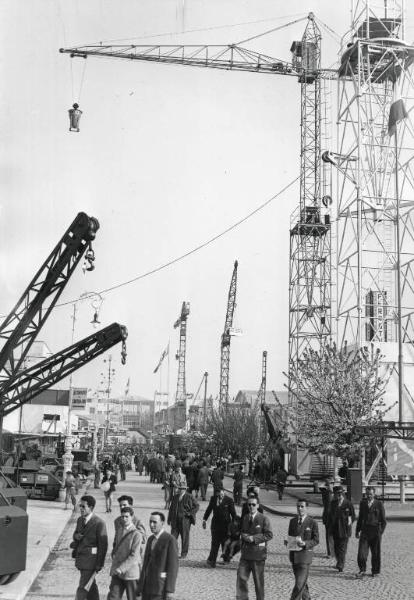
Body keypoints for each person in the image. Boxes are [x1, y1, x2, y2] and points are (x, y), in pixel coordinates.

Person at [70, 495, 108, 600]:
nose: (80, 509)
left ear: (91, 507)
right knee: (90, 585)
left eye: (83, 506)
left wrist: (100, 564)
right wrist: (76, 536)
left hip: (91, 561)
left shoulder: (99, 523)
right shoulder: (80, 520)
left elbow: (103, 546)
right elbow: (75, 534)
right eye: (80, 506)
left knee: (82, 587)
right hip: (81, 559)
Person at [236, 494, 273, 600]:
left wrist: (254, 538)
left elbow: (269, 535)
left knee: (258, 584)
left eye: (253, 504)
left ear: (258, 505)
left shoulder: (264, 519)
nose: (251, 507)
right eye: (249, 505)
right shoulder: (246, 517)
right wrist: (243, 536)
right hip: (245, 555)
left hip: (258, 556)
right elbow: (242, 531)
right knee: (241, 580)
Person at [137, 511, 179, 600]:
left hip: (160, 588)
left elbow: (173, 567)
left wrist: (170, 590)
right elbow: (145, 564)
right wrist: (140, 586)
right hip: (147, 588)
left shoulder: (170, 540)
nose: (151, 525)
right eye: (150, 522)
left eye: (155, 522)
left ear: (162, 523)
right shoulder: (150, 539)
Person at [286, 499, 319, 600]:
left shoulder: (312, 522)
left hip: (305, 557)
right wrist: (287, 541)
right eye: (298, 506)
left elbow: (316, 540)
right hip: (294, 557)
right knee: (302, 584)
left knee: (299, 585)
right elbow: (290, 536)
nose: (300, 509)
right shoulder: (292, 521)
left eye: (302, 506)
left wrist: (305, 543)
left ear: (306, 508)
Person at [108, 506, 142, 600]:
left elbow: (134, 556)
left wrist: (121, 568)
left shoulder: (137, 534)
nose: (124, 519)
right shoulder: (119, 530)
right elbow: (116, 547)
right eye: (122, 516)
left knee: (132, 598)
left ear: (132, 517)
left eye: (127, 516)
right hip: (118, 572)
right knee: (112, 597)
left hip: (130, 573)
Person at [356, 486, 387, 578]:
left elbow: (384, 521)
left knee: (376, 553)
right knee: (361, 552)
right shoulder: (363, 503)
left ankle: (375, 571)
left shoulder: (379, 504)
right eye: (367, 494)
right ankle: (362, 570)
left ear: (374, 494)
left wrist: (380, 532)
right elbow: (360, 518)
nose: (369, 496)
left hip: (375, 531)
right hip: (365, 531)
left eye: (371, 494)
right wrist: (357, 530)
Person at [203, 488, 237, 568]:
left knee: (224, 543)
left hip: (226, 526)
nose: (220, 496)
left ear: (224, 493)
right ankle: (212, 561)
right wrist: (204, 519)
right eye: (219, 494)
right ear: (217, 494)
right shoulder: (213, 499)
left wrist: (234, 525)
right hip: (215, 525)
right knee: (215, 543)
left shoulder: (229, 500)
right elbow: (209, 509)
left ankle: (226, 559)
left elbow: (233, 513)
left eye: (222, 494)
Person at [167, 481, 199, 558]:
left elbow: (197, 506)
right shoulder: (175, 497)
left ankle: (184, 553)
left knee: (184, 537)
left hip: (185, 521)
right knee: (173, 537)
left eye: (182, 488)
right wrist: (169, 518)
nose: (181, 490)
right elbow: (171, 508)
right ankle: (174, 552)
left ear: (185, 489)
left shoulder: (189, 496)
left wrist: (190, 513)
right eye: (180, 488)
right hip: (175, 520)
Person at [328, 485, 355, 572]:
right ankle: (339, 561)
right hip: (335, 529)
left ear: (343, 493)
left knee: (342, 548)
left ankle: (340, 564)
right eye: (337, 494)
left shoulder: (348, 503)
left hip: (344, 529)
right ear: (335, 494)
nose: (339, 495)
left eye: (341, 493)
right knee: (336, 547)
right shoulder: (333, 504)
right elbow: (330, 516)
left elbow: (353, 515)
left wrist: (349, 522)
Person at [320, 478, 334, 557]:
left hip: (333, 516)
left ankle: (333, 551)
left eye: (331, 484)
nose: (330, 486)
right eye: (328, 484)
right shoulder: (326, 493)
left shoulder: (336, 493)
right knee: (329, 535)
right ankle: (330, 552)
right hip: (328, 516)